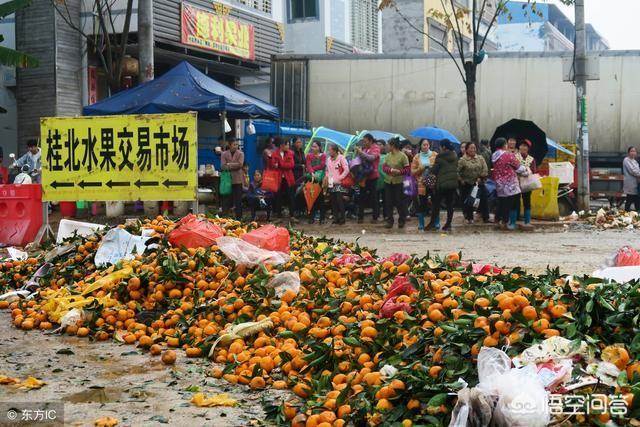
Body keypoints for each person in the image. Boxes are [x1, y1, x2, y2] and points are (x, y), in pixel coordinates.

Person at [492, 137, 528, 230]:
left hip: (499, 182)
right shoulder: (508, 155)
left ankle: (497, 220)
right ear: (504, 145)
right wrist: (526, 170)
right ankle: (506, 222)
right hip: (510, 183)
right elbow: (519, 167)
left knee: (501, 202)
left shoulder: (494, 155)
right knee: (510, 203)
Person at [428, 140, 458, 232]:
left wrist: (430, 167)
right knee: (450, 204)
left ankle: (432, 223)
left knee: (436, 204)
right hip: (452, 183)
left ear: (444, 147)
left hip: (442, 184)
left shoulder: (440, 157)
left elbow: (434, 170)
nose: (440, 148)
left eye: (441, 146)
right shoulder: (454, 156)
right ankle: (448, 224)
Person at [458, 141, 489, 224]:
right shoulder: (462, 160)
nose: (473, 150)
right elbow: (457, 171)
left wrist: (481, 177)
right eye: (471, 148)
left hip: (479, 183)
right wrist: (461, 180)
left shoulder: (480, 158)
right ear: (467, 149)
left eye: (474, 148)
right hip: (467, 184)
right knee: (469, 202)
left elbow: (485, 169)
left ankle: (486, 217)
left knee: (484, 199)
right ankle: (469, 217)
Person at [382, 138, 410, 229]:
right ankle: (390, 221)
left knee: (399, 202)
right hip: (388, 181)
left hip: (399, 182)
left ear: (393, 146)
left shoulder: (403, 156)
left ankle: (402, 220)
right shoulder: (387, 155)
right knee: (388, 201)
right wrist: (390, 170)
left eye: (388, 145)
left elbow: (407, 169)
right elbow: (384, 167)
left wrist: (399, 172)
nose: (387, 146)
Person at [411, 139, 437, 231]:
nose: (425, 146)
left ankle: (436, 222)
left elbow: (438, 167)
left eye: (427, 145)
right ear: (420, 146)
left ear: (429, 145)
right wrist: (420, 169)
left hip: (433, 183)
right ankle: (421, 223)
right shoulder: (416, 157)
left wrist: (432, 169)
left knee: (435, 202)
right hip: (421, 184)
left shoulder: (435, 155)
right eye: (423, 145)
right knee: (422, 203)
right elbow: (412, 172)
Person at [268, 138, 296, 221]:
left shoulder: (290, 153)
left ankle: (292, 216)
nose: (288, 146)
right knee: (278, 197)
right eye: (287, 145)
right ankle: (279, 216)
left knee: (291, 197)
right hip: (278, 178)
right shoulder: (274, 154)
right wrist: (271, 160)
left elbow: (291, 165)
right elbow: (272, 166)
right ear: (281, 145)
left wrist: (280, 164)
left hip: (288, 178)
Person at [355, 133, 381, 224]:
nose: (364, 143)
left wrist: (361, 153)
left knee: (374, 197)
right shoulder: (364, 148)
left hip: (373, 176)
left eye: (365, 141)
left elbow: (371, 158)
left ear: (370, 141)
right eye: (363, 141)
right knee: (361, 196)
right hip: (364, 176)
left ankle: (375, 217)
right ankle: (360, 217)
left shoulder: (376, 148)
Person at [325, 143, 350, 225]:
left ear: (335, 151)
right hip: (331, 182)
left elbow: (346, 170)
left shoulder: (341, 158)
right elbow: (328, 170)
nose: (329, 152)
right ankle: (336, 218)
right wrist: (328, 178)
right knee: (333, 201)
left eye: (331, 150)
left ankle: (342, 218)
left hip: (339, 183)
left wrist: (340, 178)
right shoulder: (329, 159)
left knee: (339, 201)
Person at [515, 140, 538, 228]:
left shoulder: (531, 159)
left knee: (527, 201)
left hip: (527, 184)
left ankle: (527, 221)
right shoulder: (515, 157)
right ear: (519, 147)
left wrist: (528, 171)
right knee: (515, 201)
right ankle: (514, 221)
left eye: (526, 146)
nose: (523, 148)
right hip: (516, 182)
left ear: (528, 148)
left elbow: (534, 171)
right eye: (522, 146)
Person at [220, 139, 245, 219]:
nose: (236, 146)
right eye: (234, 144)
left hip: (237, 179)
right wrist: (234, 165)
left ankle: (239, 218)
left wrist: (229, 164)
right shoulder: (224, 154)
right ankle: (225, 217)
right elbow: (223, 166)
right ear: (230, 145)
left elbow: (240, 165)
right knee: (226, 199)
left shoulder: (241, 153)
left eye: (237, 145)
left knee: (238, 200)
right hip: (227, 179)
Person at [305, 141, 327, 224]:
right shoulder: (309, 156)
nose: (313, 148)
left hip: (320, 179)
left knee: (320, 198)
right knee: (311, 197)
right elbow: (308, 165)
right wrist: (312, 173)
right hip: (311, 179)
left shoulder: (323, 155)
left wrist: (312, 171)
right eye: (312, 146)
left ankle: (322, 218)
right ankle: (311, 218)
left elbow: (322, 165)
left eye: (315, 146)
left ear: (319, 147)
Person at [623, 147, 640, 211]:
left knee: (637, 200)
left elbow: (638, 171)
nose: (633, 153)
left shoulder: (635, 161)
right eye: (631, 151)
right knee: (629, 199)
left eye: (634, 151)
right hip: (630, 184)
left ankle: (636, 215)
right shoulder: (626, 160)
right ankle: (626, 214)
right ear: (628, 153)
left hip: (636, 183)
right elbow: (633, 171)